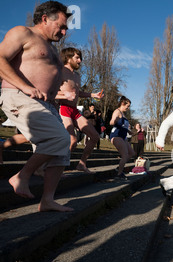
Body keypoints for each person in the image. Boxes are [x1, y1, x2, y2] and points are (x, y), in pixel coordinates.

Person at [0, 1, 73, 212]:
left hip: (46, 105)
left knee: (61, 152)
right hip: (19, 95)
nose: (64, 31)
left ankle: (47, 200)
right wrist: (25, 86)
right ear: (44, 19)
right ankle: (21, 176)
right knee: (60, 138)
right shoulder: (23, 33)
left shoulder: (51, 47)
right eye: (61, 25)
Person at [58, 47, 104, 173]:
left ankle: (82, 164)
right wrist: (64, 95)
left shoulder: (77, 75)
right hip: (63, 109)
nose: (80, 61)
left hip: (74, 110)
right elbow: (49, 91)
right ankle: (57, 170)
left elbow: (78, 93)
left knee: (94, 136)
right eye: (77, 58)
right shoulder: (60, 71)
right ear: (68, 58)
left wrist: (92, 95)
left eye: (80, 58)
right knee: (72, 140)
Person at [109, 96, 135, 180]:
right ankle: (119, 174)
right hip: (116, 136)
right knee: (125, 154)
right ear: (123, 104)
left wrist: (129, 131)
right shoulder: (117, 111)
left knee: (131, 153)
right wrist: (114, 120)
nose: (128, 108)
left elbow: (123, 126)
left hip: (123, 136)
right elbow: (111, 122)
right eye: (127, 106)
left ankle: (119, 167)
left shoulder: (124, 114)